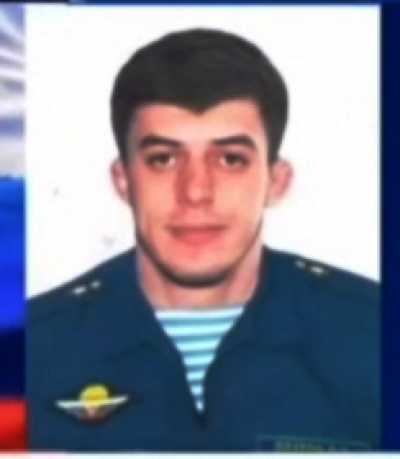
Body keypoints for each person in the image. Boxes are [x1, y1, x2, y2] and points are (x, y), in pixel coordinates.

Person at [27, 28, 379, 452]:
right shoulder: (31, 347)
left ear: (276, 181)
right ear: (123, 180)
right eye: (163, 159)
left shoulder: (375, 332)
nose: (195, 191)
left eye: (230, 159)